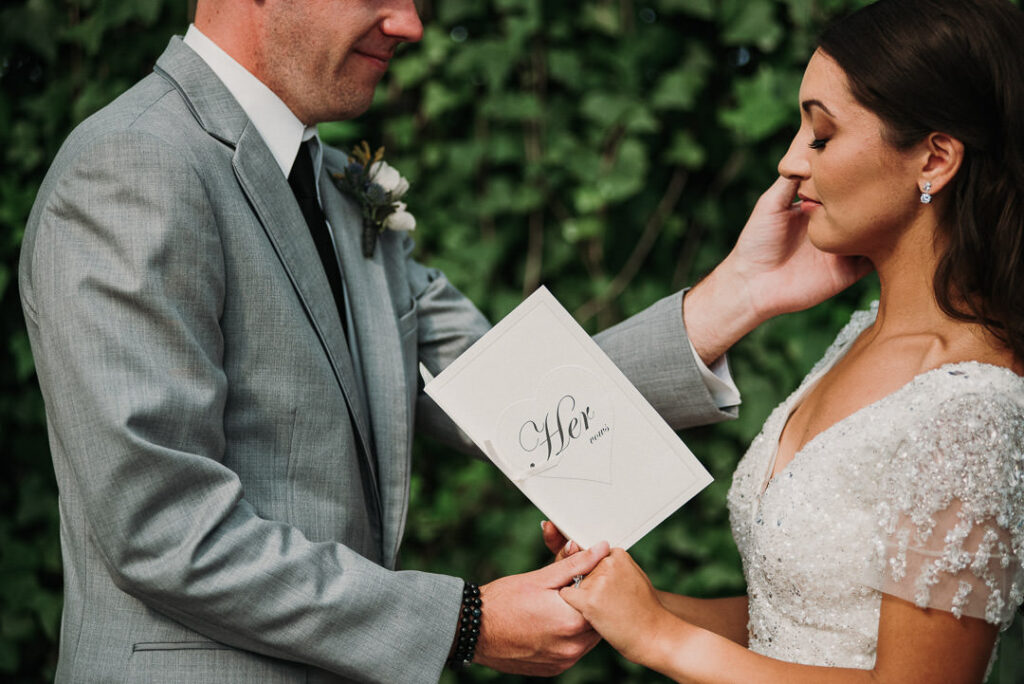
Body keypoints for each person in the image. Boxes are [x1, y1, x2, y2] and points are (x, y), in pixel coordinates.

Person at [17, 1, 867, 682]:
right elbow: (162, 526)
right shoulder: (134, 165)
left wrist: (744, 292)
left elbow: (513, 395)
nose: (412, 24)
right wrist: (466, 624)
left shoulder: (348, 188)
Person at [558, 0, 1024, 682]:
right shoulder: (862, 333)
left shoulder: (976, 408)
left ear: (935, 158)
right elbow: (798, 624)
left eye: (822, 136)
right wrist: (624, 600)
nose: (789, 163)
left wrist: (663, 639)